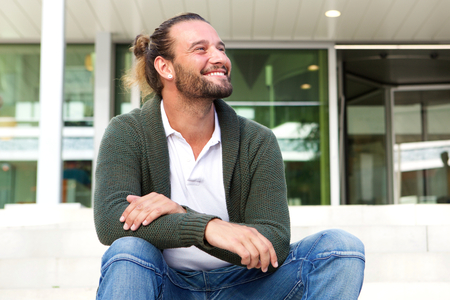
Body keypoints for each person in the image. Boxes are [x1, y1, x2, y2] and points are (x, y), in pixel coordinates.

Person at [94, 13, 365, 300]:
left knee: (341, 248)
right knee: (128, 251)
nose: (219, 58)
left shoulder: (257, 139)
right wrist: (207, 229)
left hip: (247, 285)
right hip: (165, 284)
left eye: (220, 48)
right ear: (165, 67)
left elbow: (274, 239)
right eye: (201, 49)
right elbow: (112, 221)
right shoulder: (128, 132)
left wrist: (187, 217)